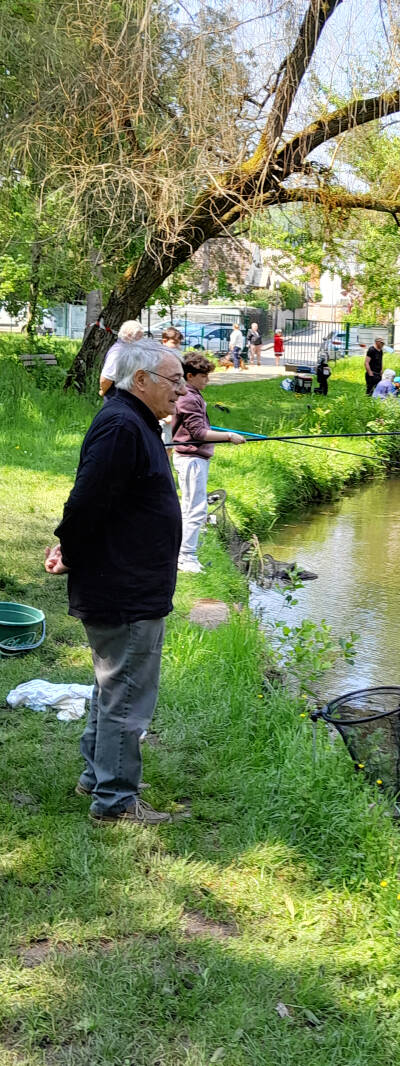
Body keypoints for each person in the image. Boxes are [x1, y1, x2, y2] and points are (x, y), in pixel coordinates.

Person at [44, 340, 188, 826]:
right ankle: (115, 802)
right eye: (174, 380)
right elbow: (86, 502)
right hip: (124, 589)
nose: (182, 390)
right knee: (126, 694)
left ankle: (97, 774)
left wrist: (72, 552)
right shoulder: (123, 425)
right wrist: (71, 552)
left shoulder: (134, 421)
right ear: (141, 380)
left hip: (128, 582)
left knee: (113, 687)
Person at [171, 351, 246, 573]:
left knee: (190, 507)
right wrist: (229, 437)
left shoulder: (191, 395)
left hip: (192, 458)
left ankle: (183, 550)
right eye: (204, 376)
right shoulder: (189, 397)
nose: (208, 379)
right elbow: (198, 433)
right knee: (196, 509)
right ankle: (186, 557)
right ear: (190, 375)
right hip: (192, 458)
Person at [99, 320, 144, 399]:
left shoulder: (129, 350)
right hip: (116, 397)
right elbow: (106, 378)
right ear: (129, 335)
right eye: (140, 337)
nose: (142, 340)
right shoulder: (118, 353)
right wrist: (103, 391)